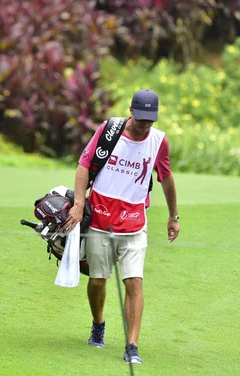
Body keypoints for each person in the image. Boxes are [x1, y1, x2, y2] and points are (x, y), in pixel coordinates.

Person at [62, 89, 180, 364]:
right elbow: (84, 166)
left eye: (150, 120)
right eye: (141, 119)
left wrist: (174, 216)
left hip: (135, 224)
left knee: (134, 281)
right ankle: (98, 324)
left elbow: (166, 178)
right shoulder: (109, 130)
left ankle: (132, 346)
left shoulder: (159, 142)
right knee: (97, 280)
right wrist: (79, 204)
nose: (145, 125)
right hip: (101, 219)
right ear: (130, 111)